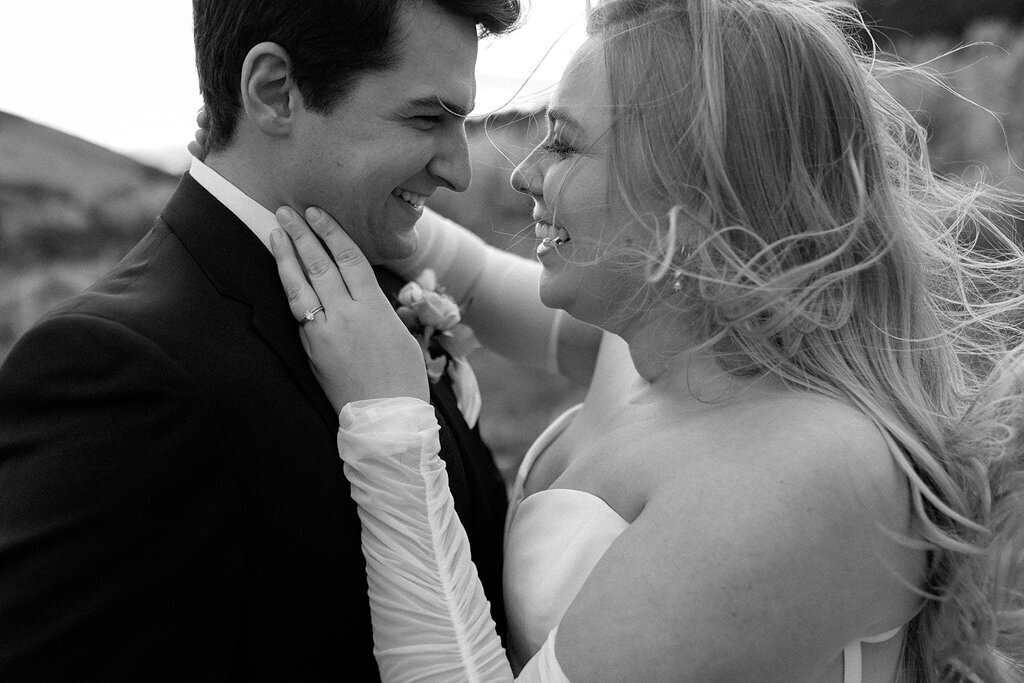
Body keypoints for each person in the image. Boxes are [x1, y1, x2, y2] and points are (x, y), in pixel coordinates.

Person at [266, 0, 1024, 680]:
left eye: (563, 144)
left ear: (688, 197)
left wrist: (389, 421)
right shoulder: (648, 347)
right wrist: (307, 171)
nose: (523, 174)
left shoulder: (807, 472)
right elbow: (472, 281)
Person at [0, 0, 523, 679]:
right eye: (427, 117)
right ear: (275, 90)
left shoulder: (377, 274)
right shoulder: (119, 370)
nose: (459, 169)